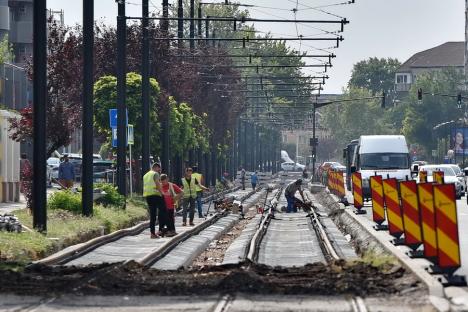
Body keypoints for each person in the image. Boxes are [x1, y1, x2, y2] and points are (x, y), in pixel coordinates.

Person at [143, 162, 165, 239]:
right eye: (159, 169)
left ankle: (152, 233)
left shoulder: (145, 175)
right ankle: (160, 230)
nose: (159, 171)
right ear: (156, 167)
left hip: (148, 196)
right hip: (156, 195)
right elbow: (157, 184)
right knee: (162, 211)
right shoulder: (155, 174)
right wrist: (162, 193)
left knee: (152, 215)